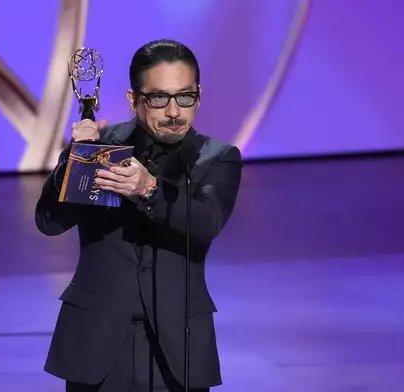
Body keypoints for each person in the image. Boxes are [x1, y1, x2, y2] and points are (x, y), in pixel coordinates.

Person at [35, 39, 243, 391]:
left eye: (185, 96)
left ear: (199, 94)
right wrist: (74, 160)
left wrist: (148, 190)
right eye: (159, 98)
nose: (175, 111)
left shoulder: (216, 157)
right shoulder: (103, 147)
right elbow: (50, 222)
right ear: (134, 100)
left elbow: (205, 224)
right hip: (96, 345)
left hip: (179, 348)